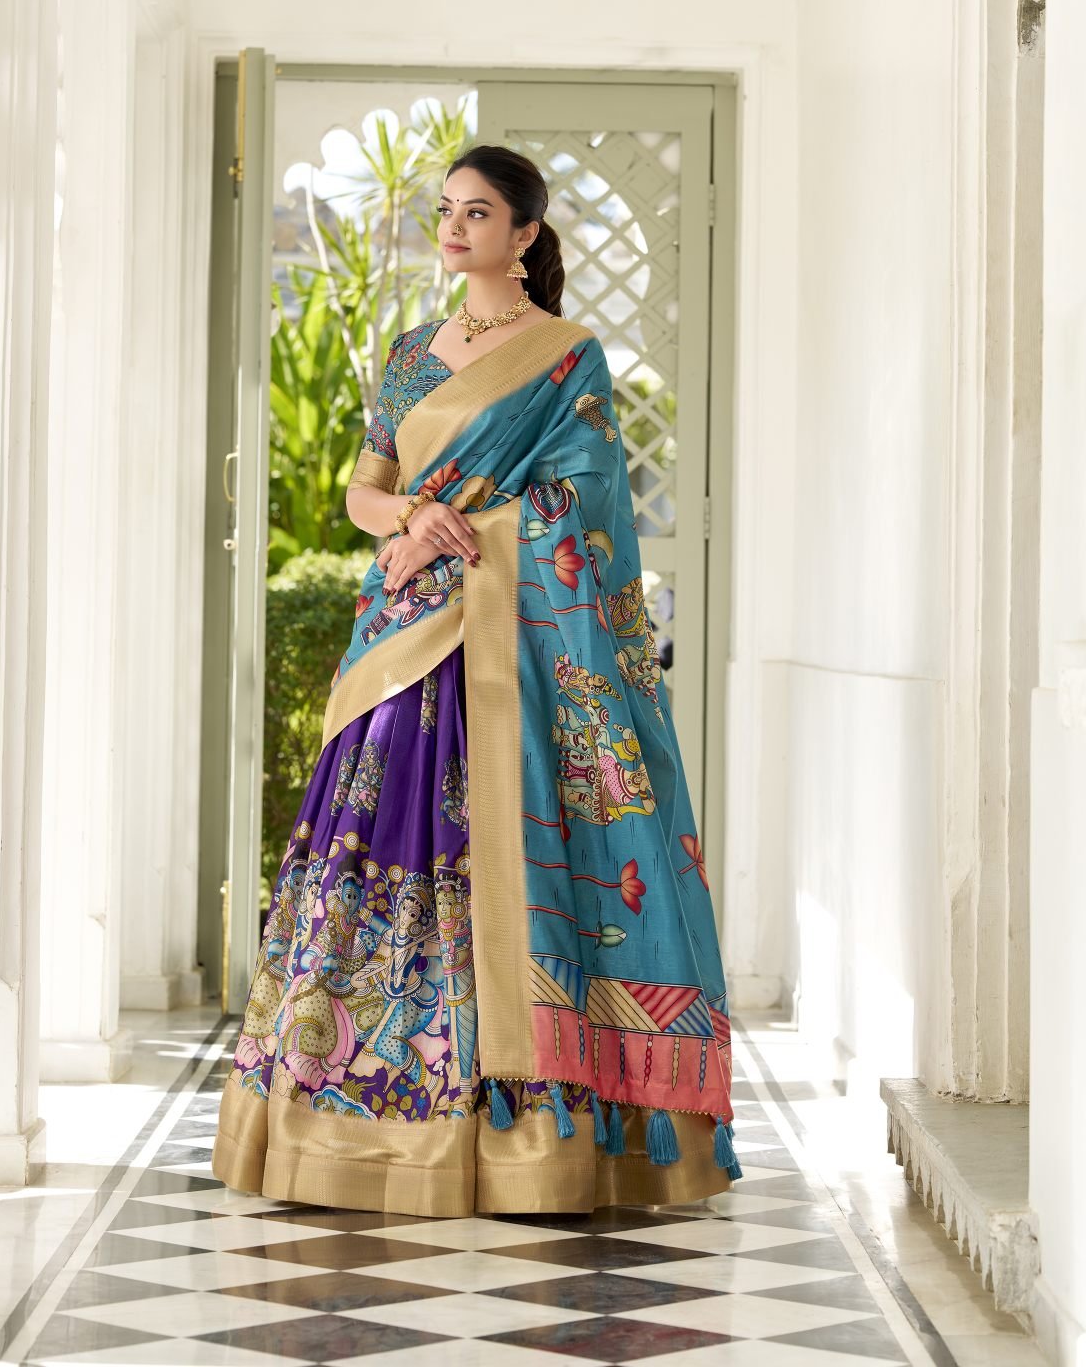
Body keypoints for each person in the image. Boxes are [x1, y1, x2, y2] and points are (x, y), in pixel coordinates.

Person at [210, 142, 742, 1217]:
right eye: (446, 209)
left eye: (478, 213)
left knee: (503, 848)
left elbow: (587, 508)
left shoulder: (567, 357)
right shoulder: (411, 355)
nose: (454, 228)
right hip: (404, 634)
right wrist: (413, 518)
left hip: (512, 644)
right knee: (372, 844)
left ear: (525, 235)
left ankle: (531, 1138)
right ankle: (347, 1113)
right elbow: (364, 493)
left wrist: (468, 530)